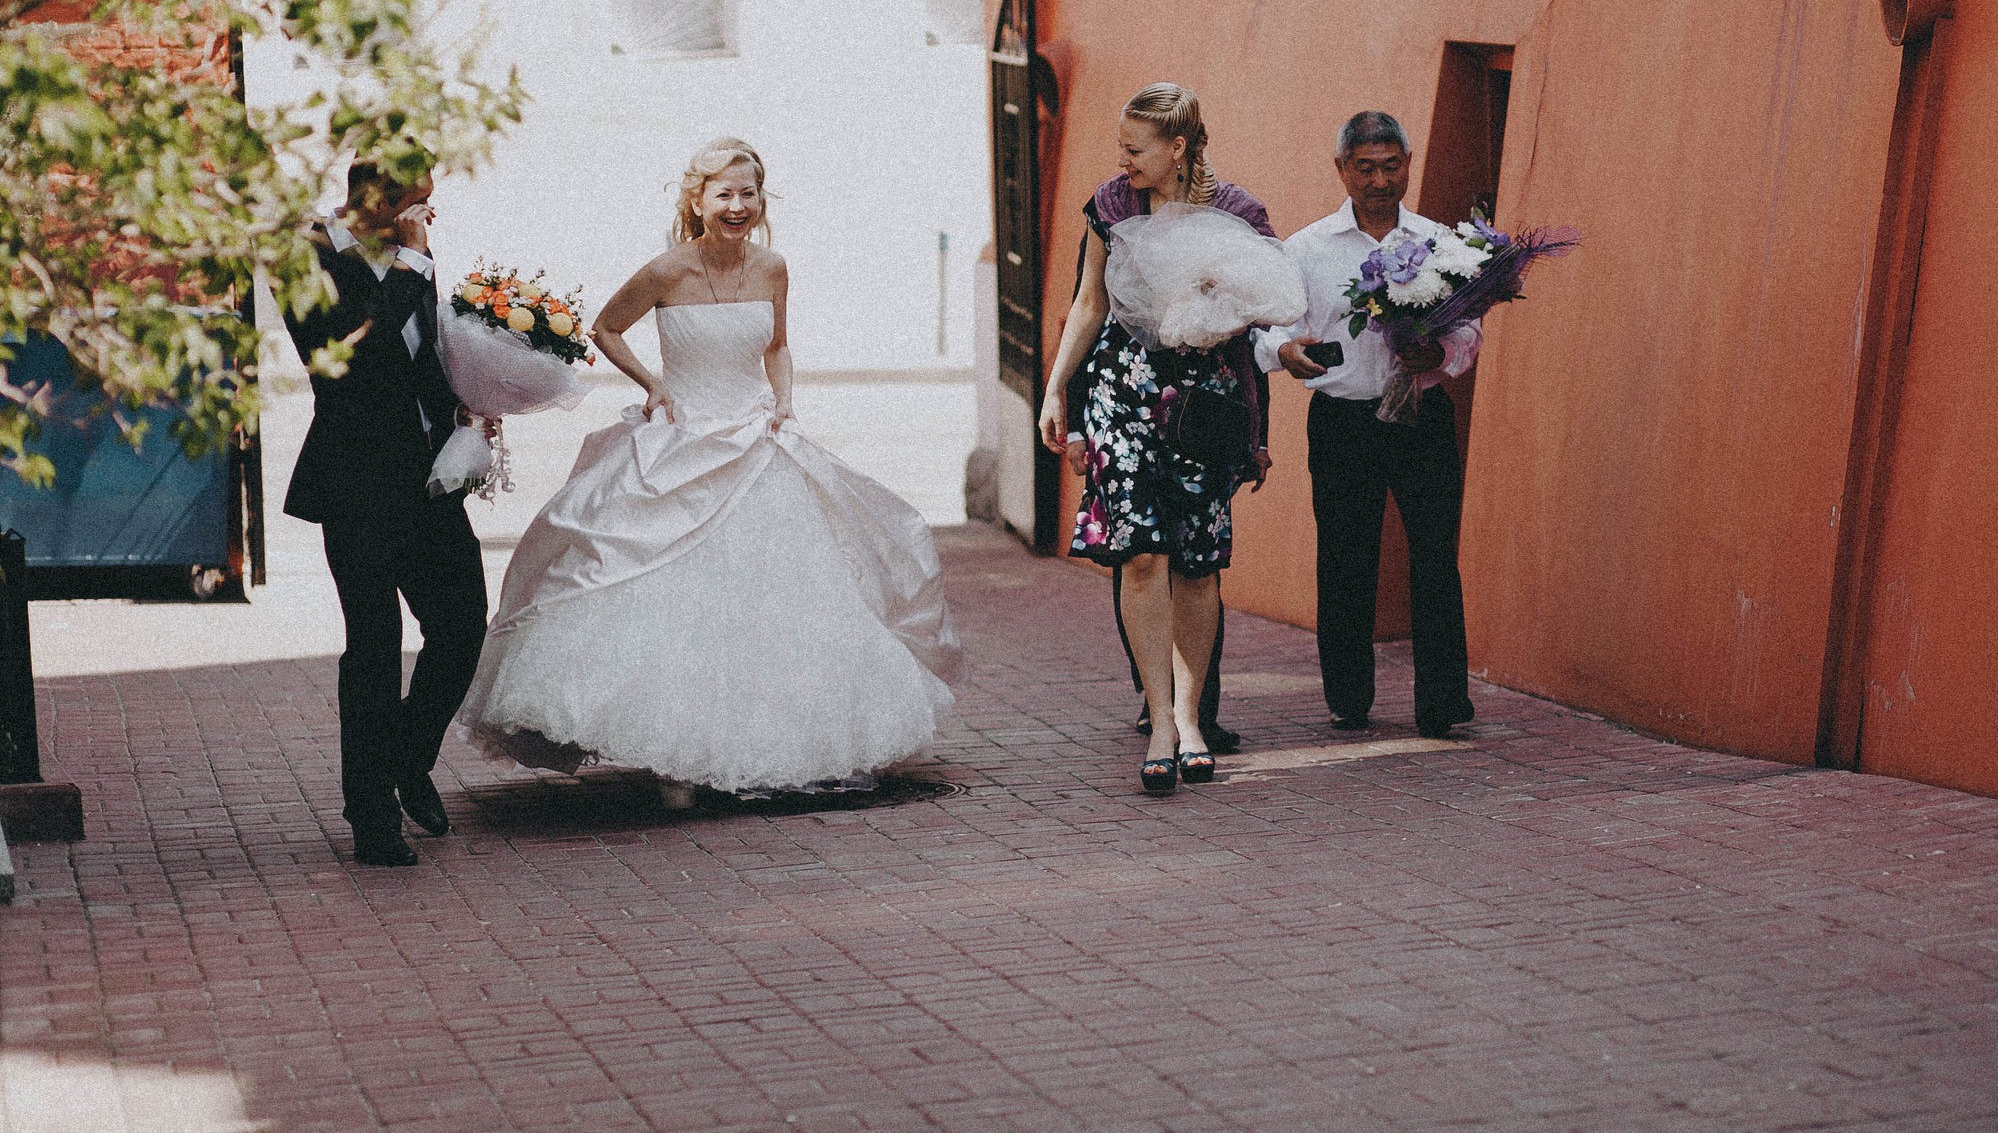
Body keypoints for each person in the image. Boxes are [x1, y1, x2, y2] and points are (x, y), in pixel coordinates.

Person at [457, 139, 963, 807]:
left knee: (774, 603)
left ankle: (769, 746)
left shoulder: (774, 268)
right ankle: (674, 761)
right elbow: (606, 328)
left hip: (756, 437)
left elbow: (777, 345)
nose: (736, 205)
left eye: (747, 193)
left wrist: (784, 402)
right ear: (697, 200)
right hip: (682, 440)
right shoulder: (667, 270)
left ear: (761, 200)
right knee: (662, 595)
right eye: (723, 193)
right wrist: (653, 384)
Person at [1040, 85, 1276, 793]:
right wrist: (1058, 389)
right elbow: (1089, 301)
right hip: (1121, 390)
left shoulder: (1238, 214)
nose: (1123, 159)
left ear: (1178, 147)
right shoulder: (1109, 206)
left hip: (1202, 402)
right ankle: (1164, 722)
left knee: (1198, 563)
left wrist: (1214, 304)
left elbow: (1262, 316)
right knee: (1140, 554)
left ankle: (1194, 713)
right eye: (1121, 146)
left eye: (1135, 148)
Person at [281, 161, 485, 868]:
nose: (426, 214)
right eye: (416, 201)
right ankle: (371, 815)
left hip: (427, 477)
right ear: (377, 197)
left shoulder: (412, 254)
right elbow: (347, 353)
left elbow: (417, 347)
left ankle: (405, 759)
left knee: (462, 623)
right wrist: (412, 260)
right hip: (356, 480)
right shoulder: (304, 251)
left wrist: (463, 403)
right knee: (373, 646)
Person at [1258, 112, 1480, 739]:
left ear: (1408, 163)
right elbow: (1271, 327)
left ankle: (1441, 703)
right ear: (1342, 170)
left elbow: (1469, 332)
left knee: (1435, 554)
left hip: (1421, 416)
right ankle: (1349, 698)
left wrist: (1437, 355)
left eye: (1392, 166)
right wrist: (1284, 351)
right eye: (1366, 168)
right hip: (1342, 421)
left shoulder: (1442, 245)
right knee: (1345, 558)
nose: (1381, 180)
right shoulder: (1305, 249)